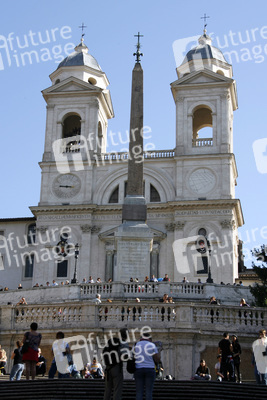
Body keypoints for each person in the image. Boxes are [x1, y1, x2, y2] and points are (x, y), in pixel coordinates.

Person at [103, 328, 129, 400]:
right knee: (117, 389)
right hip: (116, 368)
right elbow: (124, 356)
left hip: (108, 368)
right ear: (126, 335)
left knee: (108, 389)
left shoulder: (112, 342)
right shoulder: (123, 343)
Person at [134, 331, 161, 400]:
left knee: (139, 392)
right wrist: (159, 351)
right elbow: (157, 359)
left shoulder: (136, 344)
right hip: (150, 369)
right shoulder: (152, 345)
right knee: (149, 392)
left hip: (138, 368)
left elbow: (133, 356)